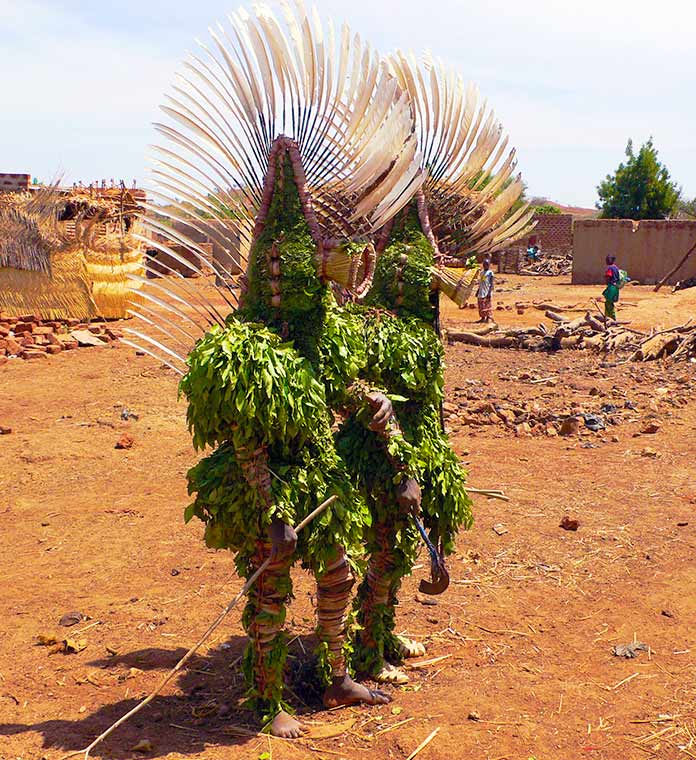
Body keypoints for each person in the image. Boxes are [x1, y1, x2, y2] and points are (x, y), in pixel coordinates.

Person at [602, 254, 621, 320]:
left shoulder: (610, 268)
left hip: (611, 287)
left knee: (608, 303)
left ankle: (612, 318)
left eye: (607, 259)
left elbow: (608, 276)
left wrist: (606, 279)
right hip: (616, 287)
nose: (606, 261)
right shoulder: (616, 268)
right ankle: (607, 317)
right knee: (609, 302)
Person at [477, 257, 495, 322]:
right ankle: (482, 318)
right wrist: (478, 290)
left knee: (487, 304)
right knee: (481, 304)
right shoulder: (481, 272)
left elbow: (491, 283)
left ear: (489, 265)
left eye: (487, 264)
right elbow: (481, 282)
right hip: (481, 290)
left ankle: (488, 317)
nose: (485, 266)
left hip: (487, 290)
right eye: (484, 264)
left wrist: (489, 292)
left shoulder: (490, 273)